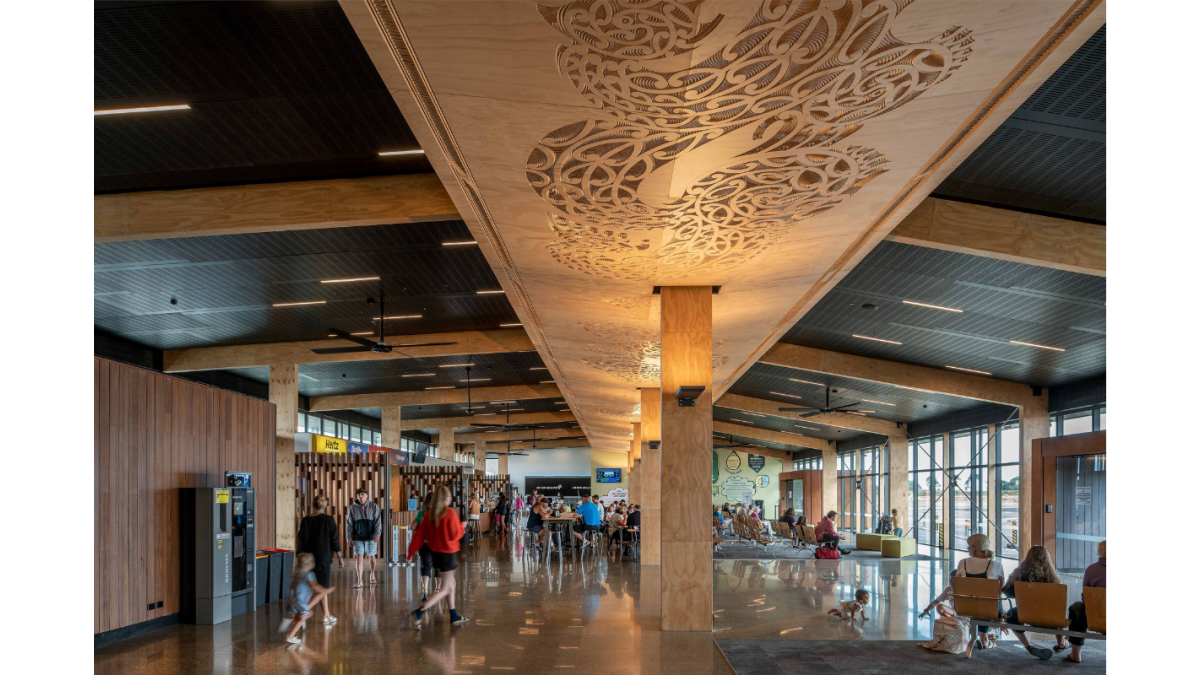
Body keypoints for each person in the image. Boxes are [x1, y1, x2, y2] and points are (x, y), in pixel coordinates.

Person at [920, 533, 1004, 649]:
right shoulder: (996, 564)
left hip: (966, 608)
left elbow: (958, 584)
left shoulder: (963, 563)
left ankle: (979, 635)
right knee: (989, 603)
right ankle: (986, 639)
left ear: (975, 547)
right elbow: (999, 592)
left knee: (976, 604)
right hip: (988, 609)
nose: (967, 548)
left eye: (969, 546)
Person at [406, 485, 469, 628]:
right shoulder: (450, 514)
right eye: (449, 497)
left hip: (436, 555)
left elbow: (419, 536)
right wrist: (462, 527)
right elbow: (455, 534)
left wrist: (410, 552)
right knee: (446, 588)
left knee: (451, 584)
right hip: (448, 555)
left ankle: (454, 615)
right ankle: (420, 611)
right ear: (446, 499)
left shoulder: (429, 515)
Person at [1002, 545, 1068, 660]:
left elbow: (1008, 593)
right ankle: (1061, 645)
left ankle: (1029, 646)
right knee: (1059, 613)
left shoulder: (1020, 575)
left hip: (1024, 615)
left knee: (1011, 615)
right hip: (1049, 617)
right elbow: (1057, 602)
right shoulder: (1052, 578)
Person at [295, 496, 340, 626]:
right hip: (323, 559)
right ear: (325, 506)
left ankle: (326, 615)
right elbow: (334, 540)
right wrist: (340, 556)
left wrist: (299, 557)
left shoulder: (305, 521)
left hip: (308, 560)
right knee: (323, 588)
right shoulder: (329, 520)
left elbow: (300, 541)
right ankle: (305, 611)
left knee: (315, 587)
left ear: (313, 505)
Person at [1065, 541, 1105, 664]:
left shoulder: (1092, 569)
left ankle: (1076, 654)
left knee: (1076, 607)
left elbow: (1086, 597)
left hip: (1096, 618)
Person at [284, 553, 335, 644]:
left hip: (294, 601)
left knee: (309, 613)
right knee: (302, 619)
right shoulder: (309, 575)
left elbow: (292, 586)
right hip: (301, 602)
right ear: (309, 564)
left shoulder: (297, 575)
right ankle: (290, 636)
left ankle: (290, 621)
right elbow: (315, 586)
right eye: (312, 561)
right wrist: (327, 590)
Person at [346, 488, 382, 589]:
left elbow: (378, 522)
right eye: (358, 494)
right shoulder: (352, 508)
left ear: (367, 496)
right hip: (358, 537)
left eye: (362, 494)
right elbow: (349, 524)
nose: (360, 496)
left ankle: (372, 574)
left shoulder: (373, 506)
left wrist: (377, 534)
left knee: (372, 557)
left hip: (371, 536)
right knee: (359, 558)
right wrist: (349, 537)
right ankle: (360, 581)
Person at [412, 492, 440, 603]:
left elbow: (411, 526)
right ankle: (437, 590)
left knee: (426, 566)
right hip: (437, 544)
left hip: (423, 544)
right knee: (437, 566)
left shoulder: (421, 513)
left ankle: (425, 591)